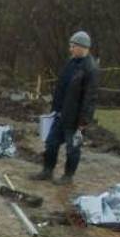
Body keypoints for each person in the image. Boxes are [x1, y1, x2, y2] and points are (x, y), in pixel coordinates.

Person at [31, 30, 100, 185]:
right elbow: (62, 87)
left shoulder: (91, 69)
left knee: (72, 148)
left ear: (82, 47)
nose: (70, 49)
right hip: (60, 114)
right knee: (51, 143)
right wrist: (55, 109)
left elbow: (90, 98)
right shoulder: (71, 63)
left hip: (75, 118)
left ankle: (68, 176)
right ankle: (47, 171)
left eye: (73, 46)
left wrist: (83, 121)